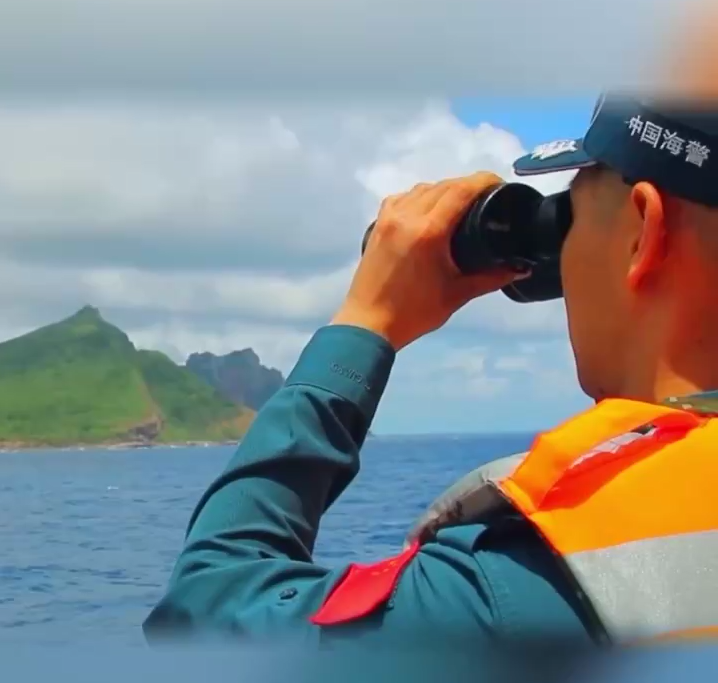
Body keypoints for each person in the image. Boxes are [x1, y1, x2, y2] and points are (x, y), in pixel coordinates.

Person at [142, 95, 718, 648]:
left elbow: (204, 610)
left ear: (643, 232)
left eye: (571, 213)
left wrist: (366, 322)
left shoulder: (512, 589)